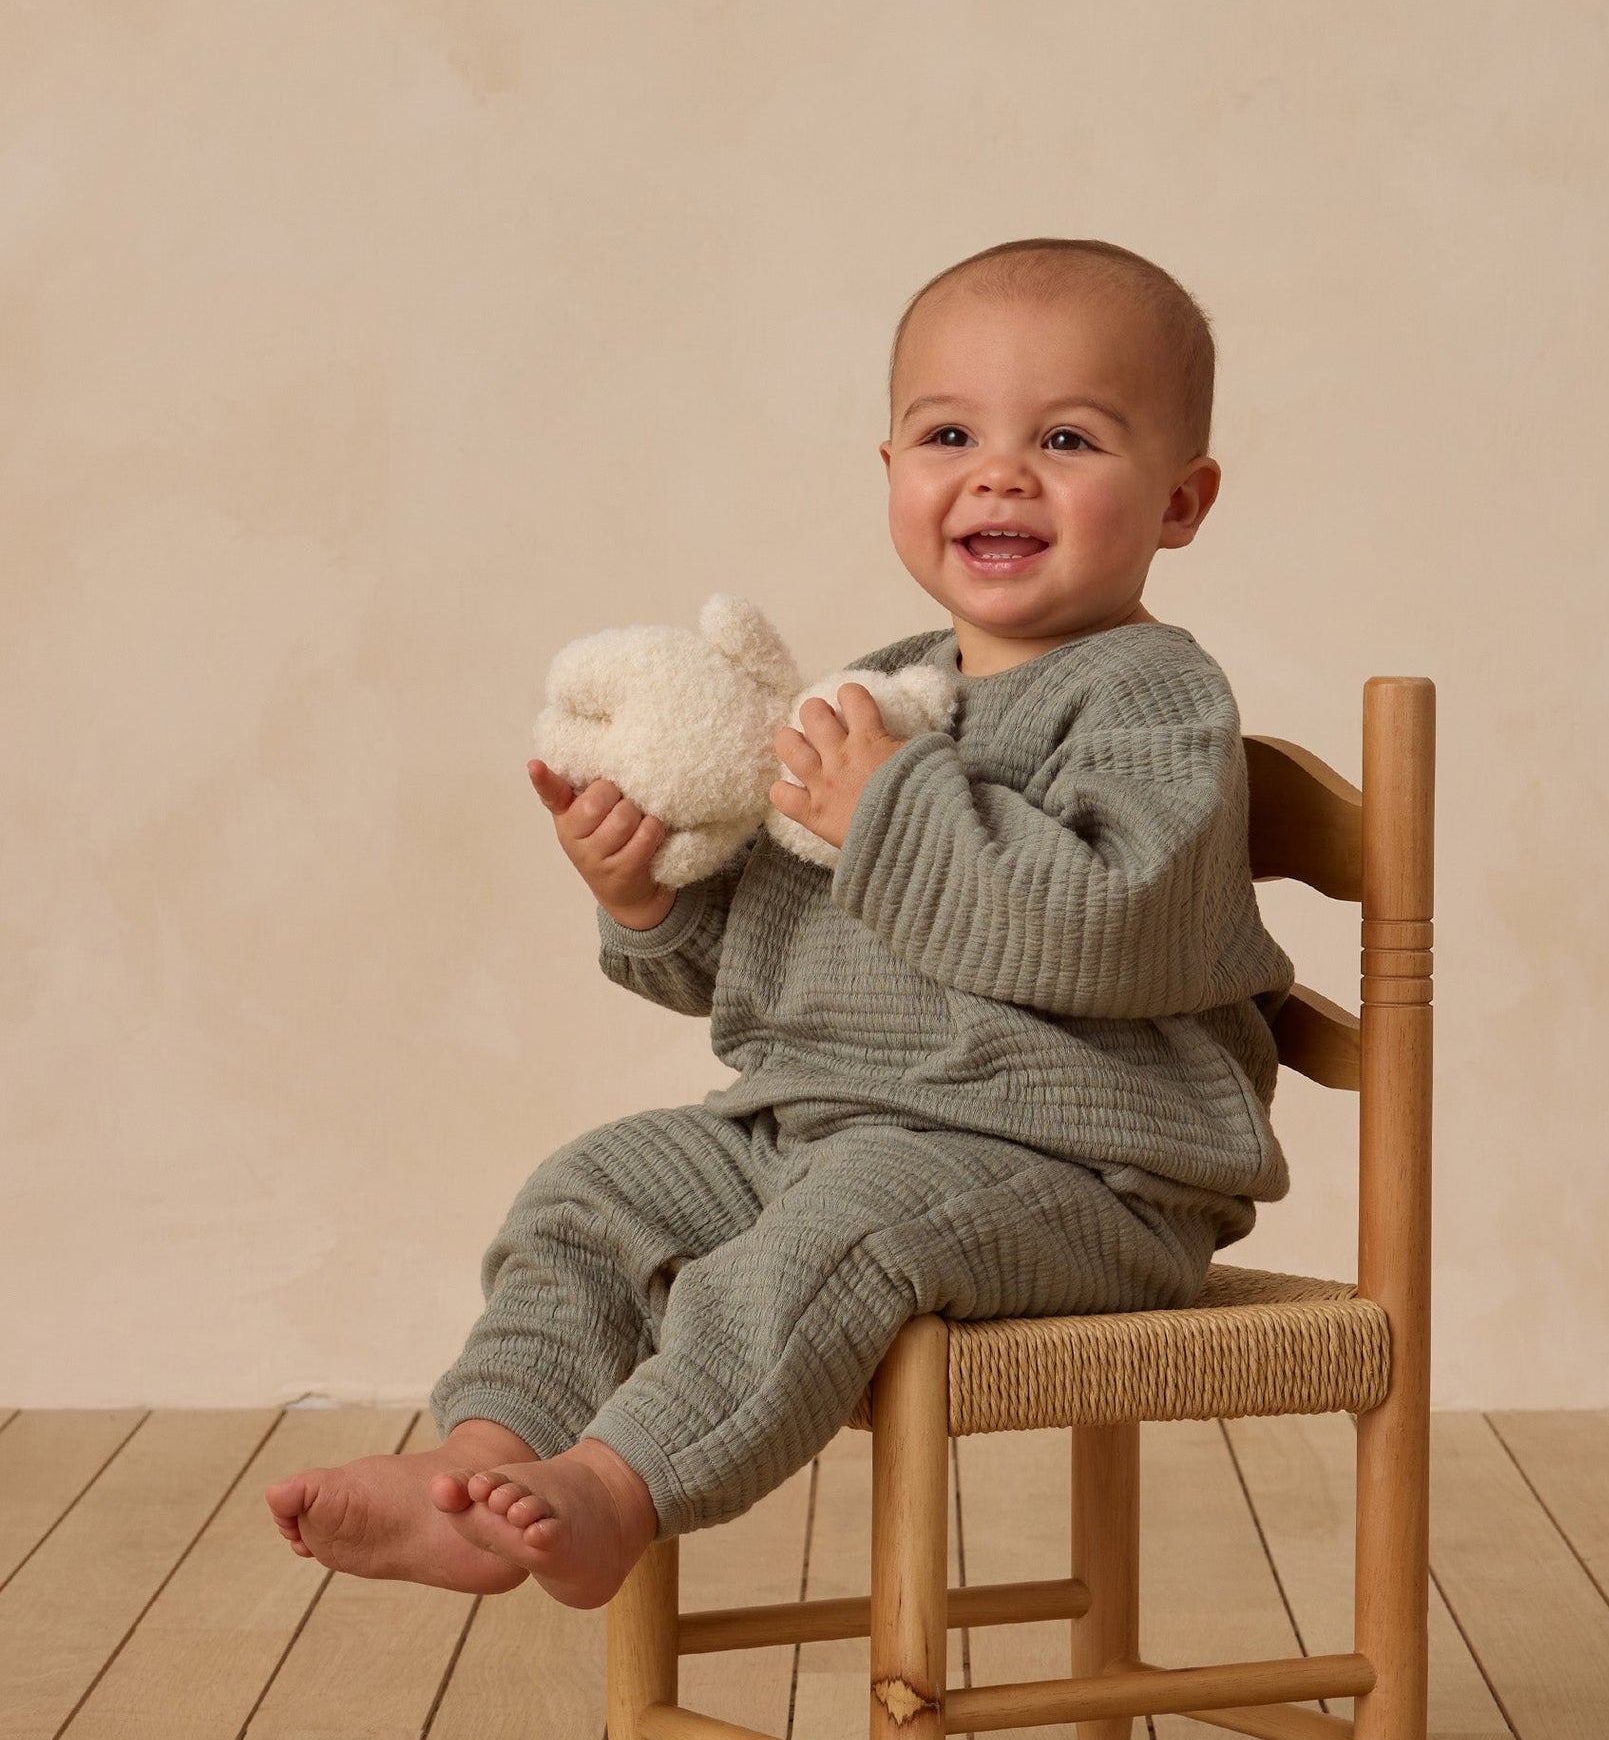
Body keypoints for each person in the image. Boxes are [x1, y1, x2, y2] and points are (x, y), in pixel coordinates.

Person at [267, 237, 1294, 1610]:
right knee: (595, 1185)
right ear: (891, 475)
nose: (998, 471)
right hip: (830, 1119)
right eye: (949, 432)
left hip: (1081, 1171)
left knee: (853, 1222)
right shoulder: (877, 691)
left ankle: (616, 1485)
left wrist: (892, 812)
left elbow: (1106, 933)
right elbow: (785, 959)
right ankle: (483, 1459)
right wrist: (647, 898)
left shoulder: (1152, 702)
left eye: (1064, 436)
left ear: (1180, 499)